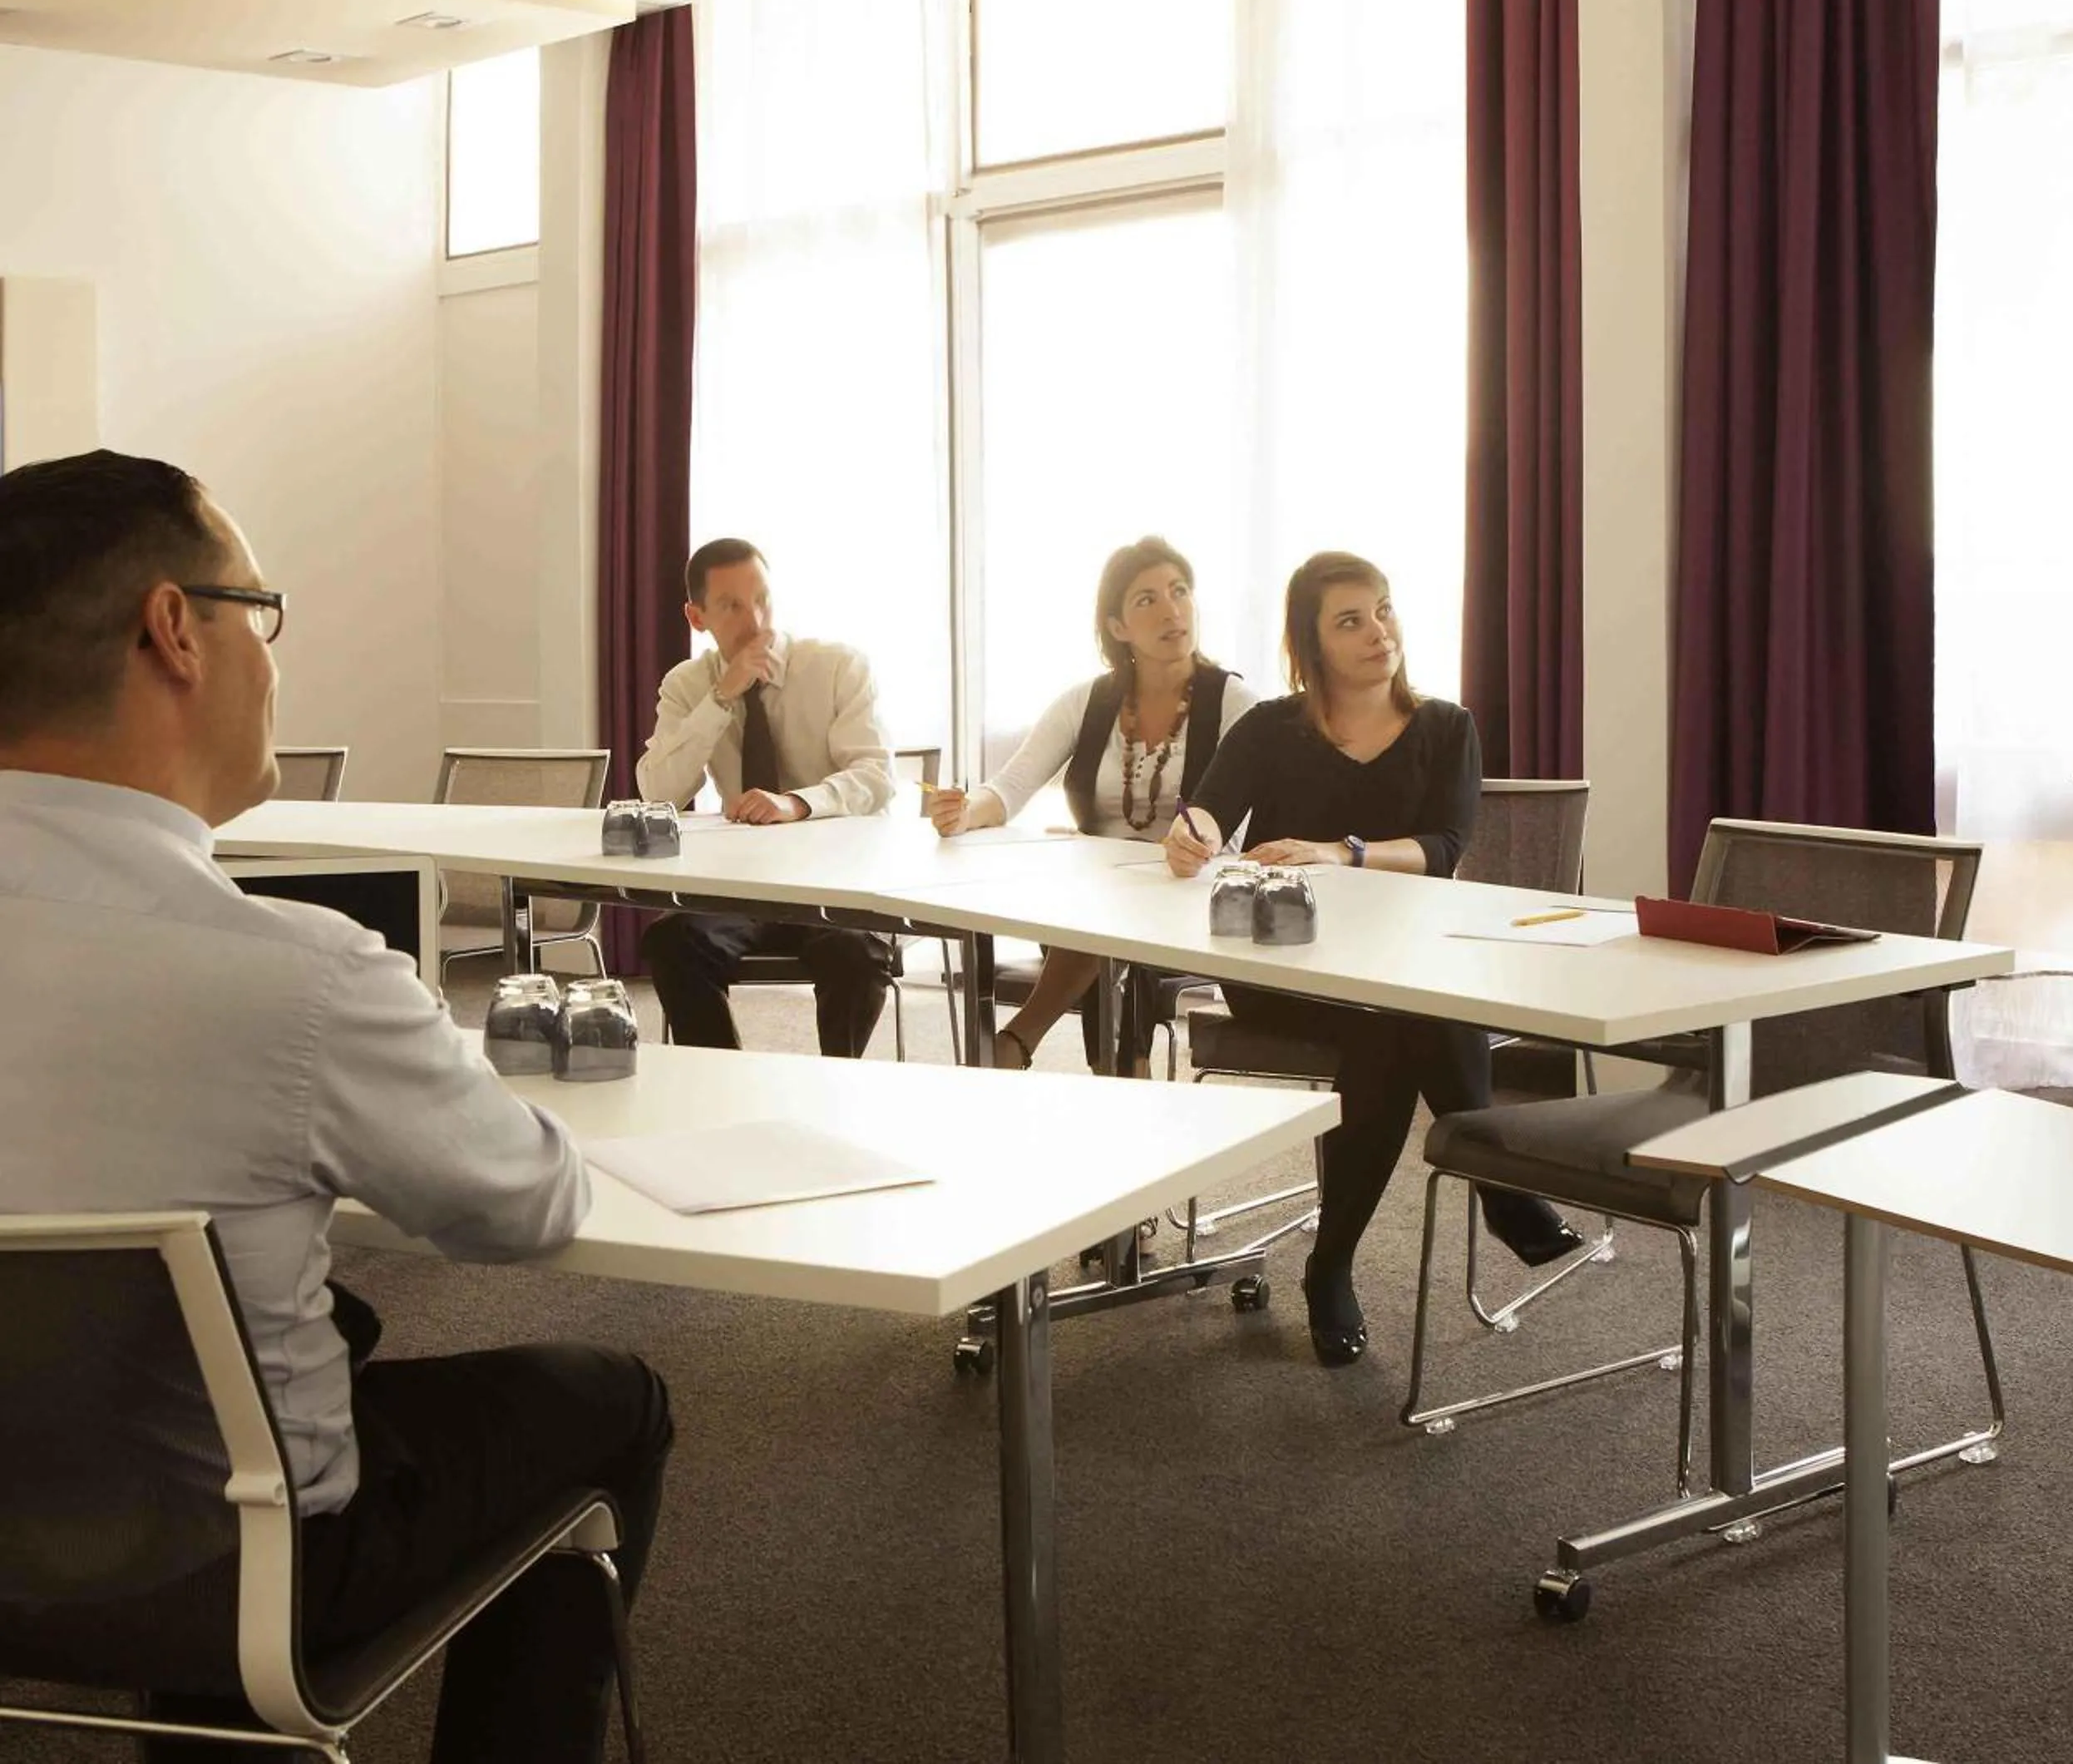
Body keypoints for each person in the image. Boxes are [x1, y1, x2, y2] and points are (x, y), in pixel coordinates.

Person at [0, 450, 671, 1762]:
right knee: (609, 1398)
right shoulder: (297, 977)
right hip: (230, 1579)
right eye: (261, 611)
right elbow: (528, 1205)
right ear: (174, 630)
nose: (273, 656)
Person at [1164, 551, 1579, 1365]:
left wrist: (1342, 852)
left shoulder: (1447, 728)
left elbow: (1444, 846)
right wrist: (1195, 835)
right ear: (1312, 643)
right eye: (1351, 620)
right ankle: (1498, 1184)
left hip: (1399, 962)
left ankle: (1332, 1264)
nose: (1378, 631)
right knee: (1407, 1016)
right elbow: (1208, 811)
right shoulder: (1272, 728)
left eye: (1383, 610)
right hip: (1283, 964)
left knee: (1397, 1020)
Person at [930, 536, 1253, 1071]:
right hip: (1091, 905)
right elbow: (1008, 789)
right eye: (1147, 599)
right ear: (1118, 627)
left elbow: (1234, 829)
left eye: (1180, 591)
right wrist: (964, 811)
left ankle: (1022, 1042)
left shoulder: (1236, 703)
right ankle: (1119, 1075)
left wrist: (1195, 847)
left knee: (1108, 921)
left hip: (1194, 893)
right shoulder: (1087, 702)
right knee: (1103, 916)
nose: (1172, 610)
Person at [636, 538, 899, 1057]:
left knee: (855, 953)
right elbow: (658, 792)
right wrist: (720, 699)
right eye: (731, 606)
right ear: (697, 617)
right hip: (742, 888)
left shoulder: (838, 666)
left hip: (835, 884)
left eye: (762, 600)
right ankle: (725, 1083)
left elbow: (876, 777)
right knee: (671, 941)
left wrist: (796, 803)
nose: (755, 621)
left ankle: (834, 1085)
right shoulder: (687, 685)